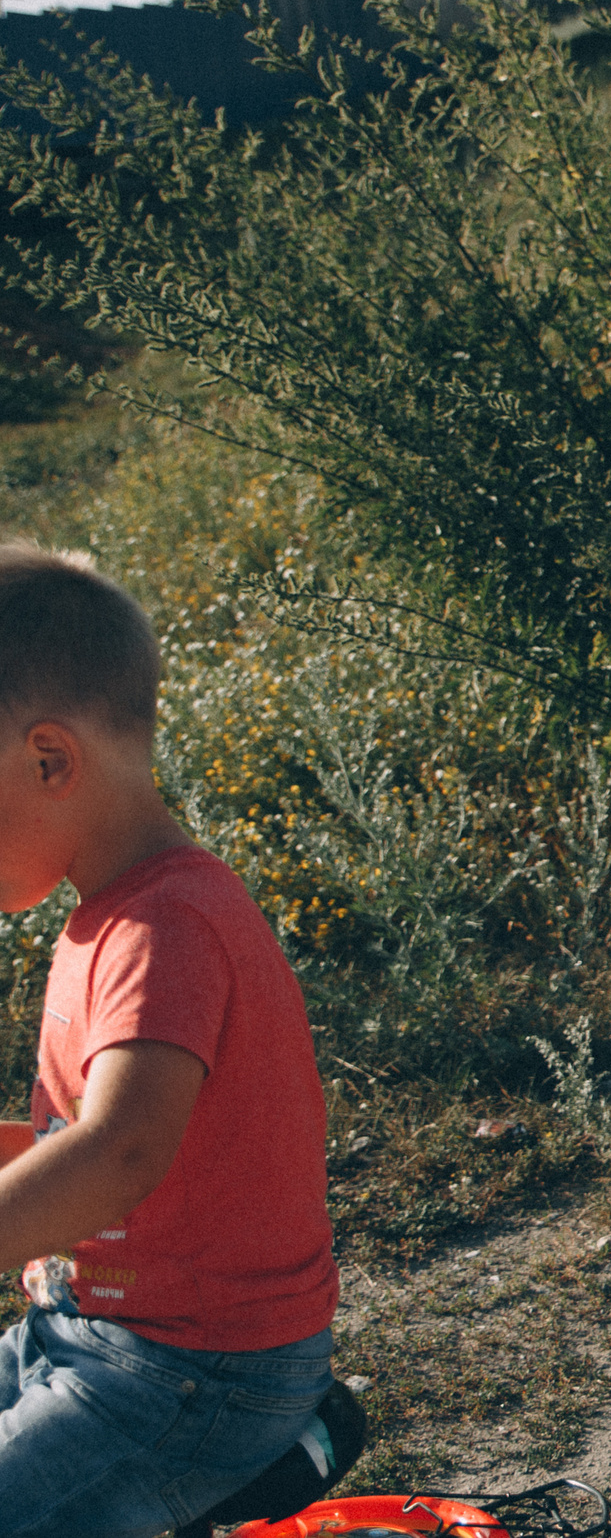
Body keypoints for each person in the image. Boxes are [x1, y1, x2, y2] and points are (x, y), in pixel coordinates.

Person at [0, 545, 339, 1535]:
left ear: (50, 760)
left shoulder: (166, 925)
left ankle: (271, 1454)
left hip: (194, 1374)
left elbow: (120, 1153)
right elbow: (81, 1143)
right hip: (86, 1333)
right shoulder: (105, 917)